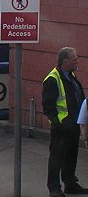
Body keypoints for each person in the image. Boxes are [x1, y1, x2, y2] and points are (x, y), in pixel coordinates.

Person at [42, 47, 88, 197]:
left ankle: (70, 184)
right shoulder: (52, 79)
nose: (77, 61)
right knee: (57, 157)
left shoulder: (71, 76)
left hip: (73, 126)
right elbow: (48, 106)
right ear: (65, 61)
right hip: (62, 127)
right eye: (74, 59)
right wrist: (57, 123)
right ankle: (54, 188)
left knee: (71, 156)